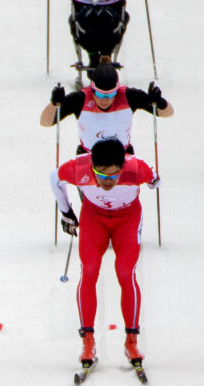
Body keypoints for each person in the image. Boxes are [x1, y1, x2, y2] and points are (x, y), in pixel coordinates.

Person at [50, 138, 159, 369]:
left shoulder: (136, 169)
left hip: (127, 219)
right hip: (93, 217)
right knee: (89, 270)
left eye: (114, 175)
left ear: (122, 167)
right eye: (101, 175)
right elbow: (54, 178)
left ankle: (132, 341)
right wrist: (66, 212)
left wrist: (153, 181)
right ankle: (87, 342)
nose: (107, 181)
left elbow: (154, 180)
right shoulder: (79, 167)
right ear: (92, 167)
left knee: (125, 272)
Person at [40, 62, 172, 154]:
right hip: (88, 157)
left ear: (117, 89)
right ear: (92, 88)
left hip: (122, 157)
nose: (104, 99)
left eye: (111, 94)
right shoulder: (80, 99)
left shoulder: (129, 96)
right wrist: (54, 103)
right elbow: (45, 122)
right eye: (99, 93)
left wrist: (159, 101)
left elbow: (167, 113)